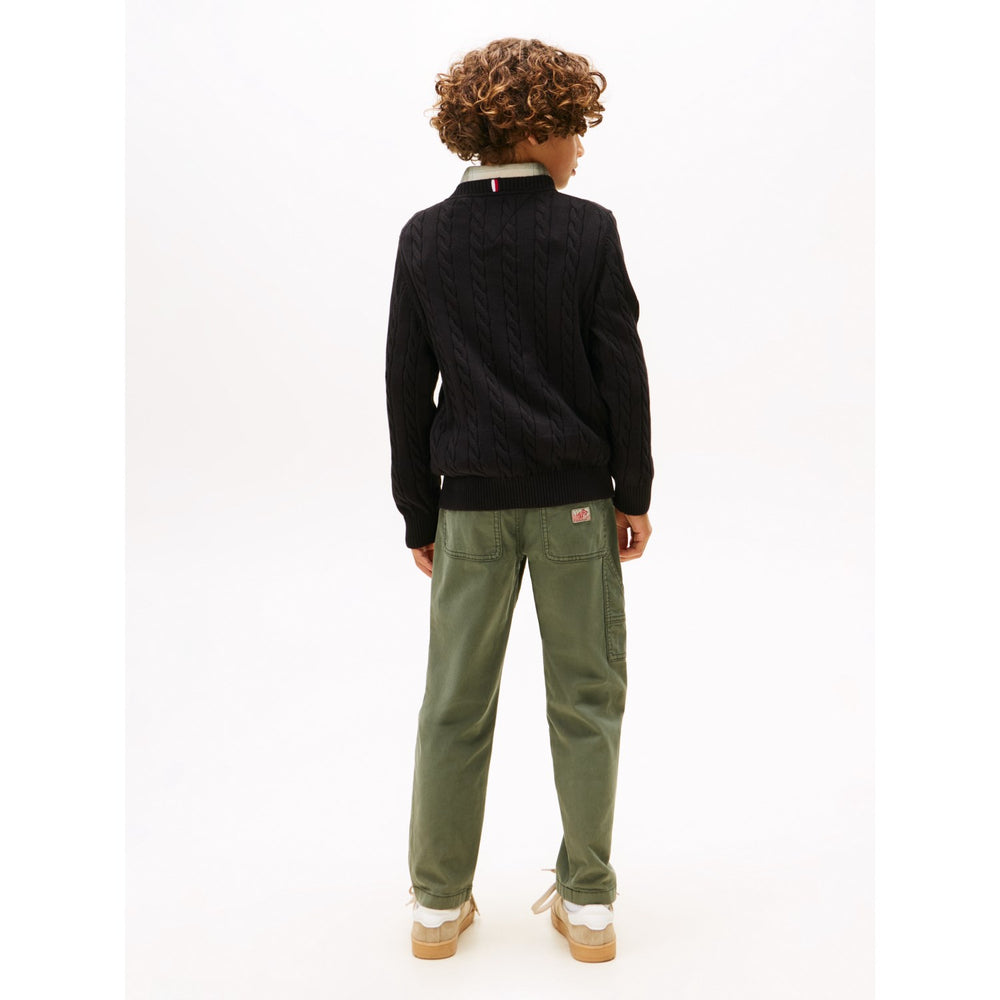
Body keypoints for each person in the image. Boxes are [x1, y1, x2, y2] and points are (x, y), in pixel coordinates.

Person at [385, 37, 654, 963]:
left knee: (453, 704)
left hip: (467, 511)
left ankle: (435, 908)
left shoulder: (425, 236)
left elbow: (405, 386)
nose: (579, 148)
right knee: (587, 699)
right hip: (577, 507)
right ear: (534, 129)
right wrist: (632, 493)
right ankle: (589, 905)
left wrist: (419, 512)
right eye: (573, 129)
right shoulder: (588, 230)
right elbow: (622, 374)